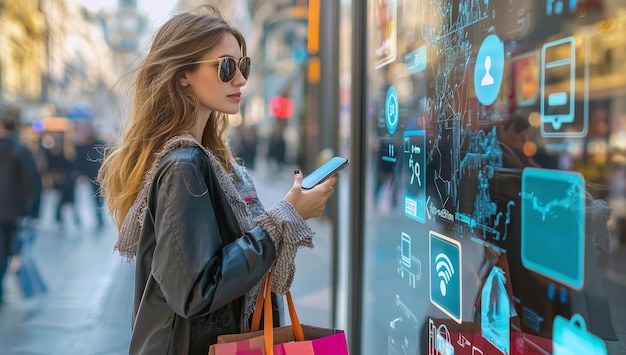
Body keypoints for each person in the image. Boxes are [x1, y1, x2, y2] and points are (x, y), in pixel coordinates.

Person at [97, 5, 337, 354]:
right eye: (226, 67)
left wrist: (287, 214)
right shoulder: (183, 165)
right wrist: (285, 216)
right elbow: (195, 290)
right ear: (183, 74)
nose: (240, 79)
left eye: (244, 66)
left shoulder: (211, 160)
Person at [0, 117, 42, 304]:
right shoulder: (21, 151)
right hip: (13, 212)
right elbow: (31, 183)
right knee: (8, 249)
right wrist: (32, 212)